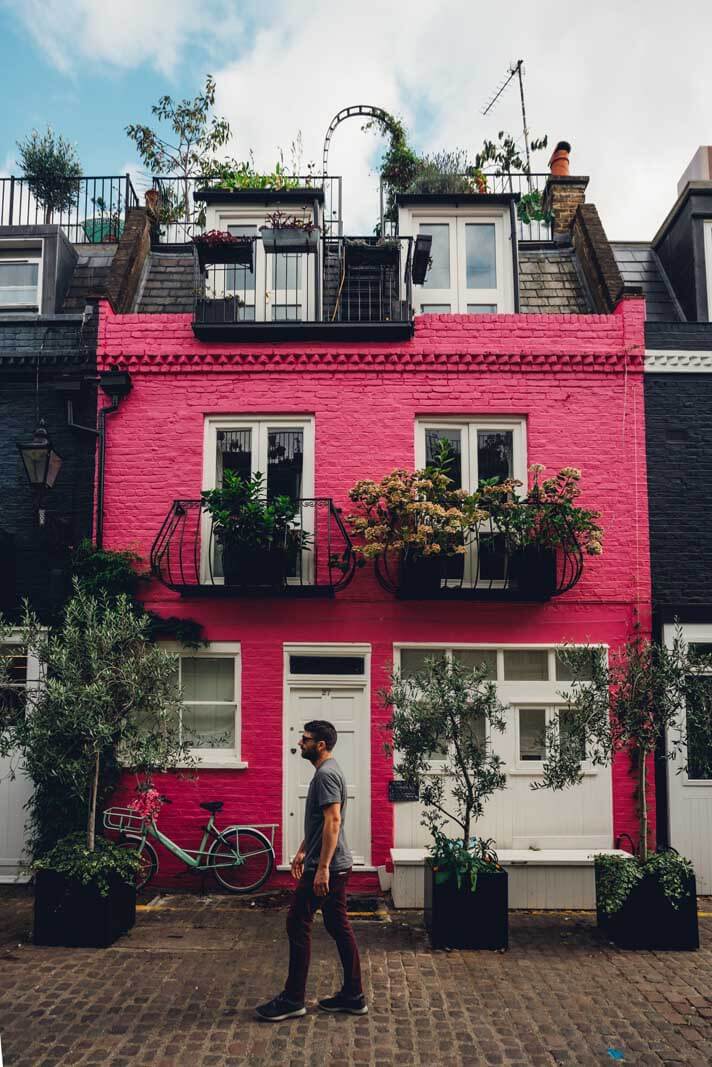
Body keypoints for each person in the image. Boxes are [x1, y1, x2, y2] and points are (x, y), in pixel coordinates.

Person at [256, 719, 366, 1021]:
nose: (299, 743)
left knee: (297, 923)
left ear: (320, 745)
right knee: (337, 925)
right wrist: (304, 849)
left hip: (328, 866)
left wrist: (323, 868)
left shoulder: (326, 775)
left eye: (305, 739)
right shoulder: (328, 771)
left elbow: (334, 821)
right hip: (330, 862)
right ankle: (353, 996)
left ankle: (293, 999)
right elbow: (322, 822)